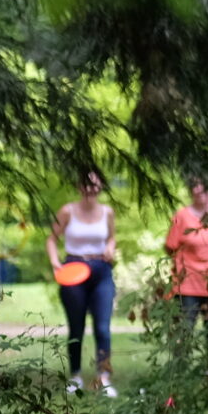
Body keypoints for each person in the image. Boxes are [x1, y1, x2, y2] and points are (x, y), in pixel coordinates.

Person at [46, 166, 118, 397]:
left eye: (95, 184)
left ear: (101, 187)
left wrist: (110, 247)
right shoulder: (68, 211)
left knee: (102, 328)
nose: (91, 189)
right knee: (76, 327)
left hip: (101, 271)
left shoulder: (107, 212)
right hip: (73, 269)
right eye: (86, 184)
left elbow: (112, 237)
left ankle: (104, 378)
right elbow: (51, 239)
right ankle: (75, 376)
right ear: (79, 187)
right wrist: (56, 262)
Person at [166, 176, 208, 327]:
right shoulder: (182, 216)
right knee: (184, 332)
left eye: (202, 188)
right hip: (188, 284)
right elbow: (170, 246)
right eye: (194, 187)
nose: (198, 191)